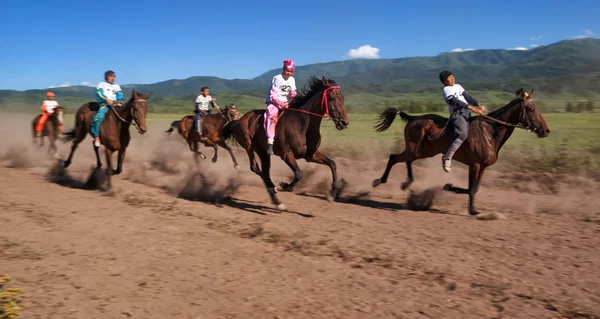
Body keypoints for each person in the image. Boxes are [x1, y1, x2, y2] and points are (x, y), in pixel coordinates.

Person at [439, 70, 487, 172]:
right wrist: (472, 108)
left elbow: (467, 97)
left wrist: (478, 104)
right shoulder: (446, 89)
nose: (452, 78)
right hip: (458, 114)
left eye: (452, 76)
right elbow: (454, 101)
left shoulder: (458, 86)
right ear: (444, 81)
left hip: (466, 112)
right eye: (449, 77)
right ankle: (447, 157)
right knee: (463, 134)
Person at [264, 59, 297, 155]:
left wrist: (291, 103)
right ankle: (270, 143)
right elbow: (272, 95)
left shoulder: (292, 80)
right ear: (283, 69)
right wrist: (281, 104)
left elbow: (293, 94)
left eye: (291, 72)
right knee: (272, 117)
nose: (289, 73)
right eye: (287, 71)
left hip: (285, 102)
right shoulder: (277, 78)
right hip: (273, 102)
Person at [92, 70, 124, 147]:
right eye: (111, 76)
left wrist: (119, 101)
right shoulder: (102, 84)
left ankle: (124, 136)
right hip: (105, 104)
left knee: (124, 116)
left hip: (116, 104)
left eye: (114, 77)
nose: (113, 78)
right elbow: (98, 93)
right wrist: (106, 99)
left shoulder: (117, 86)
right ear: (106, 77)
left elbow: (120, 94)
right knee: (100, 117)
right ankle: (97, 137)